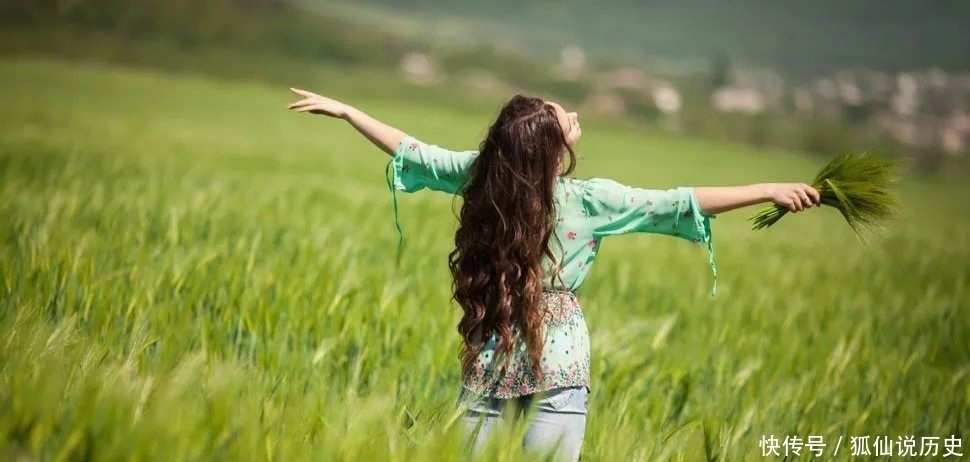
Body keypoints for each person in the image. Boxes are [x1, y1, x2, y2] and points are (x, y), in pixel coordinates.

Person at [287, 89, 821, 461]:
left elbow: (408, 148)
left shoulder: (480, 180)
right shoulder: (590, 201)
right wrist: (767, 188)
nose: (571, 117)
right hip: (559, 373)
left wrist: (348, 111)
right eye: (563, 118)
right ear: (552, 150)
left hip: (489, 366)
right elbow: (679, 201)